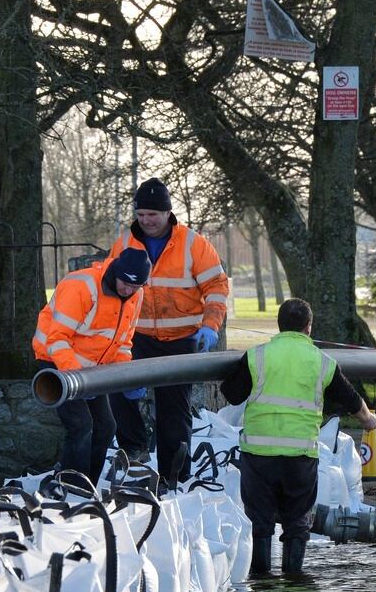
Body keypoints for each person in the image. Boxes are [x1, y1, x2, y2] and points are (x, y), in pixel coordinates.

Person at [221, 299, 376, 576]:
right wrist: (369, 420)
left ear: (279, 326)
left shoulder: (257, 356)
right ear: (309, 327)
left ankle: (261, 586)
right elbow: (351, 400)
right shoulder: (322, 362)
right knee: (297, 522)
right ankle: (294, 584)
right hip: (300, 457)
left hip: (259, 456)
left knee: (260, 522)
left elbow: (232, 393)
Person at [107, 178, 231, 488]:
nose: (146, 221)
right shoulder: (123, 244)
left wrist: (210, 325)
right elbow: (109, 287)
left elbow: (216, 287)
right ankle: (134, 453)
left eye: (153, 214)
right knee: (119, 392)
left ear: (167, 213)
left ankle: (174, 478)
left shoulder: (194, 244)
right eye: (141, 214)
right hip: (136, 339)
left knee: (174, 413)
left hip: (181, 340)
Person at [33, 248, 151, 483]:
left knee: (106, 426)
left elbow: (122, 344)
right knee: (81, 425)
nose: (128, 291)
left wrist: (125, 377)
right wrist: (79, 381)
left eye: (135, 287)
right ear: (115, 272)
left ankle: (88, 486)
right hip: (55, 363)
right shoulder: (81, 287)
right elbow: (57, 339)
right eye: (125, 283)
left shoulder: (135, 296)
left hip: (90, 371)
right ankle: (71, 486)